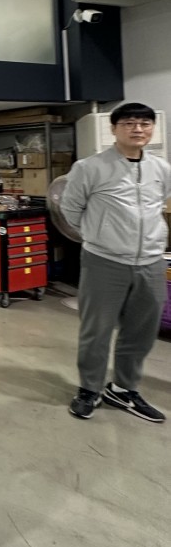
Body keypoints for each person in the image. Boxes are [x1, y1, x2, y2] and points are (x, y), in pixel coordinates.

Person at [61, 101, 171, 423]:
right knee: (96, 330)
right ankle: (89, 389)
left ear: (152, 129)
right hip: (104, 261)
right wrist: (98, 236)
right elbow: (70, 209)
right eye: (129, 123)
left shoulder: (162, 169)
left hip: (151, 262)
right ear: (114, 129)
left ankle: (123, 389)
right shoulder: (90, 168)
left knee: (141, 331)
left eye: (145, 124)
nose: (138, 129)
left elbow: (159, 206)